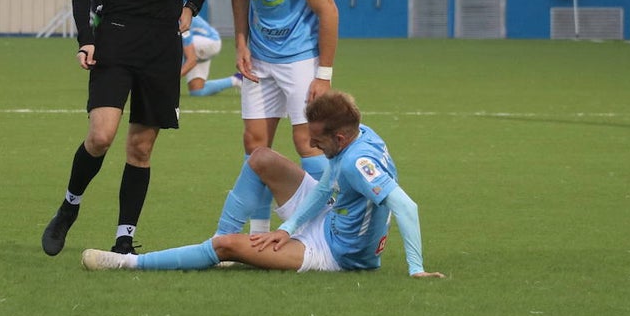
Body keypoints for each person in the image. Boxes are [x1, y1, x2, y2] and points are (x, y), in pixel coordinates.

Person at [41, 0, 215, 256]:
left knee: (140, 148)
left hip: (161, 49)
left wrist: (192, 7)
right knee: (101, 136)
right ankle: (69, 207)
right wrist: (86, 39)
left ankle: (123, 239)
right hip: (116, 43)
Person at [81, 89, 444, 278]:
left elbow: (406, 207)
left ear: (342, 137)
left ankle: (127, 263)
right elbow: (324, 190)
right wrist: (287, 229)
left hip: (337, 254)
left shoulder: (358, 163)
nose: (311, 144)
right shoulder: (357, 137)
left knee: (225, 245)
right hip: (331, 217)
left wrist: (416, 268)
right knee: (261, 157)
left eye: (318, 138)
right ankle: (222, 251)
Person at [211, 0, 339, 236]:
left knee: (307, 142)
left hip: (299, 55)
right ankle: (258, 233)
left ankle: (324, 228)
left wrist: (323, 75)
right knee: (254, 144)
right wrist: (240, 41)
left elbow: (328, 10)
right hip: (259, 55)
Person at [181, 14, 242, 96]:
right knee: (197, 91)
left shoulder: (179, 17)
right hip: (198, 44)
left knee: (176, 46)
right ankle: (237, 79)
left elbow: (191, 60)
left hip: (210, 42)